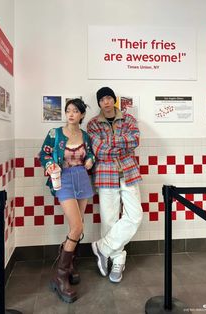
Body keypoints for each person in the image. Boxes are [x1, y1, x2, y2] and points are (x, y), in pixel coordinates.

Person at [39, 98, 95, 303]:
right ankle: (60, 276)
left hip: (83, 178)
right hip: (63, 180)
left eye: (75, 111)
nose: (70, 114)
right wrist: (51, 164)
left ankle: (69, 264)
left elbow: (90, 154)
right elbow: (43, 155)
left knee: (79, 225)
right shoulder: (55, 133)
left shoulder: (85, 135)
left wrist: (90, 159)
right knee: (77, 227)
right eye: (68, 110)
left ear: (81, 115)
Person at [87, 87, 143, 283]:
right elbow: (99, 150)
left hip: (129, 172)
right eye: (102, 99)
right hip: (105, 175)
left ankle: (102, 247)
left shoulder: (128, 119)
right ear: (99, 103)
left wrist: (110, 143)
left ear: (114, 100)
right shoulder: (93, 124)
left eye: (109, 98)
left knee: (135, 215)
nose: (106, 102)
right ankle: (117, 260)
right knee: (108, 219)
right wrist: (121, 145)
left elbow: (135, 140)